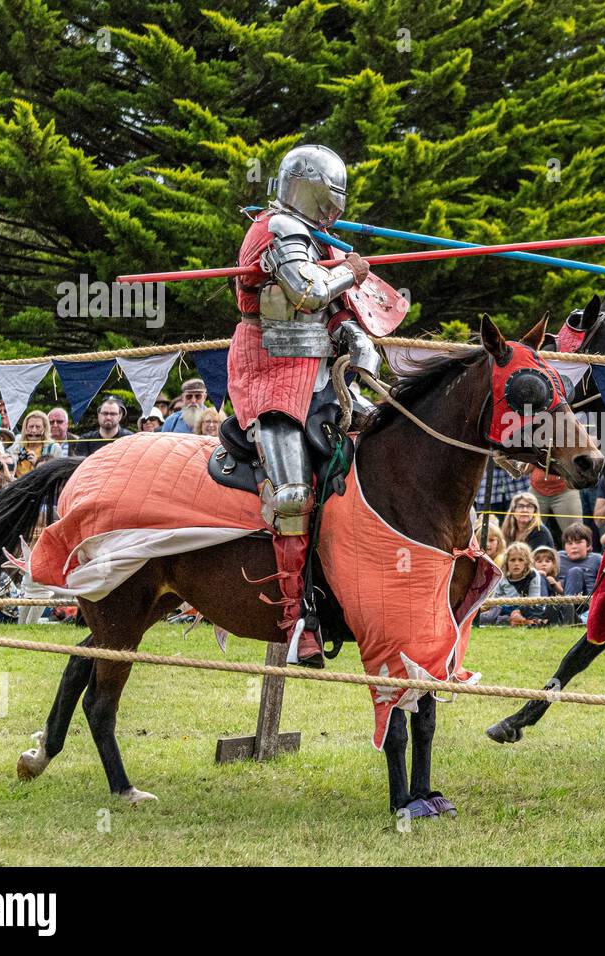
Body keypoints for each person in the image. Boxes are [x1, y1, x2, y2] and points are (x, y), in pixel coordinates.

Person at [227, 143, 414, 667]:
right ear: (309, 186)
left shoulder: (311, 236)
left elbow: (328, 311)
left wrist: (356, 338)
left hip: (318, 369)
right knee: (289, 493)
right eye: (333, 195)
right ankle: (295, 620)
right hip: (272, 368)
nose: (337, 207)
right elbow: (307, 292)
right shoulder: (277, 230)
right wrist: (350, 272)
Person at [478, 542, 544, 626]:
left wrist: (519, 611)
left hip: (526, 608)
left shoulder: (532, 575)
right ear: (507, 562)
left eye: (521, 560)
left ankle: (518, 620)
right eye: (512, 560)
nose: (516, 563)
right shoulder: (503, 576)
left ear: (526, 562)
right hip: (505, 607)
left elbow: (534, 600)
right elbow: (496, 600)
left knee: (536, 610)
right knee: (489, 617)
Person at [529, 465, 582, 548]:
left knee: (575, 532)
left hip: (566, 490)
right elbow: (525, 470)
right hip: (536, 489)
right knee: (528, 530)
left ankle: (580, 559)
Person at [9, 410, 64, 476]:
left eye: (38, 427)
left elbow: (58, 474)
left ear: (44, 429)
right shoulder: (18, 442)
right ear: (25, 428)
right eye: (31, 426)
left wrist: (37, 463)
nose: (34, 430)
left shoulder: (54, 448)